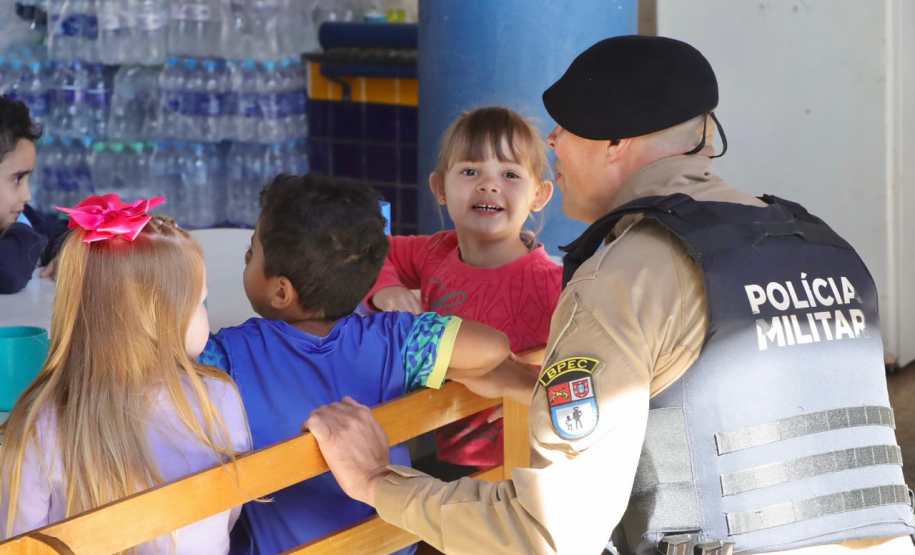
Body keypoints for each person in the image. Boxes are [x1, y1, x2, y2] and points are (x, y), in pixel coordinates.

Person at [303, 36, 915, 554]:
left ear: (615, 143)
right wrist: (533, 386)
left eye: (564, 130)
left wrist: (379, 481)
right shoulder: (823, 246)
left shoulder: (625, 273)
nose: (552, 144)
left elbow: (551, 532)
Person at [197, 174, 513, 555]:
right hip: (389, 547)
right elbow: (493, 347)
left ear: (281, 291)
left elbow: (151, 370)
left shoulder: (227, 356)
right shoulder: (393, 339)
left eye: (252, 254)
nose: (246, 260)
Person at [0, 194, 251, 554]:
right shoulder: (219, 397)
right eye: (199, 303)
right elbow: (229, 513)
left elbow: (19, 543)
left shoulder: (40, 427)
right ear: (160, 323)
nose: (204, 316)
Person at [366, 106, 562, 472]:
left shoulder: (555, 285)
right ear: (440, 188)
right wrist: (385, 288)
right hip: (446, 455)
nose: (488, 185)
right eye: (470, 171)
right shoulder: (434, 253)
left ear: (539, 195)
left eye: (510, 173)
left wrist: (532, 392)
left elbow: (591, 371)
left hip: (526, 468)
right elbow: (371, 251)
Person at [0, 96, 68, 294]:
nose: (27, 195)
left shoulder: (23, 217)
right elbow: (8, 276)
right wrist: (25, 233)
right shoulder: (22, 225)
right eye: (17, 179)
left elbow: (66, 234)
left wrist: (67, 255)